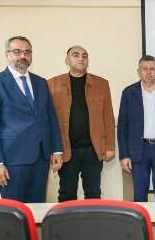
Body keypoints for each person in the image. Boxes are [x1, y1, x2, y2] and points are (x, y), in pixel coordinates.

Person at [0, 35, 63, 202]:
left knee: (37, 208)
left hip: (41, 158)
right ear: (7, 54)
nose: (23, 56)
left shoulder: (41, 83)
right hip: (12, 160)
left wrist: (57, 150)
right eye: (17, 51)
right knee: (14, 210)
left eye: (27, 52)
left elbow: (51, 117)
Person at [47, 46, 116, 201]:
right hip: (66, 150)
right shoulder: (52, 84)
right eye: (76, 55)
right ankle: (66, 218)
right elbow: (48, 120)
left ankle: (91, 218)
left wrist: (110, 146)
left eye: (85, 56)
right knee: (66, 193)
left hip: (93, 150)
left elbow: (108, 117)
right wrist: (52, 150)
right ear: (66, 60)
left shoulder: (101, 84)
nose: (81, 58)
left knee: (93, 193)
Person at [117, 55, 155, 202]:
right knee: (139, 195)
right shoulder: (129, 93)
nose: (148, 72)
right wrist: (124, 155)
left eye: (152, 69)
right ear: (138, 71)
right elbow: (122, 126)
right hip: (138, 150)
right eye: (145, 69)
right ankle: (141, 219)